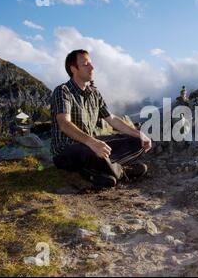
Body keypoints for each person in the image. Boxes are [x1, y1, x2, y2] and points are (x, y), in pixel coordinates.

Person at [50, 49, 152, 188]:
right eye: (86, 64)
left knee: (136, 142)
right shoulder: (63, 91)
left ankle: (97, 171)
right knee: (87, 150)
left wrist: (139, 134)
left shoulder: (94, 93)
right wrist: (91, 142)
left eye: (90, 64)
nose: (92, 68)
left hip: (90, 146)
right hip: (66, 151)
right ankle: (122, 172)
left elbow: (112, 119)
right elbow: (64, 124)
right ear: (74, 69)